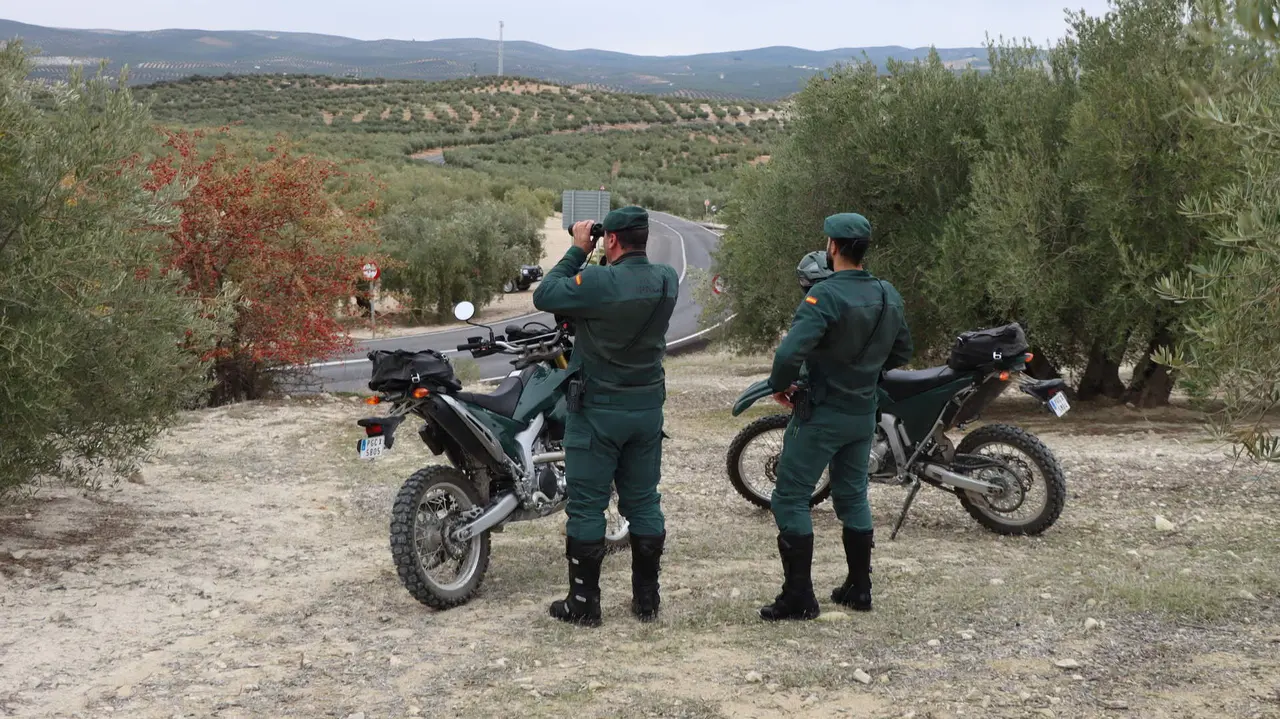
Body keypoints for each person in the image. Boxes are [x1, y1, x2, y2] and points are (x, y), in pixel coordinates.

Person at [759, 212, 913, 622]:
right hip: (863, 414)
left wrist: (781, 383)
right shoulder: (887, 294)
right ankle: (859, 589)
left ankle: (799, 596)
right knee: (853, 497)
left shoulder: (824, 296)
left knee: (790, 497)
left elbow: (789, 353)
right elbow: (901, 353)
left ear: (831, 248)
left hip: (821, 413)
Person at [532, 206, 680, 627]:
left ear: (610, 240)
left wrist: (579, 248)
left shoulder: (596, 281)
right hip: (647, 409)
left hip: (597, 411)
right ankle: (646, 600)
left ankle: (583, 603)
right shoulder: (667, 279)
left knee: (587, 507)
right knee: (644, 501)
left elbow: (546, 295)